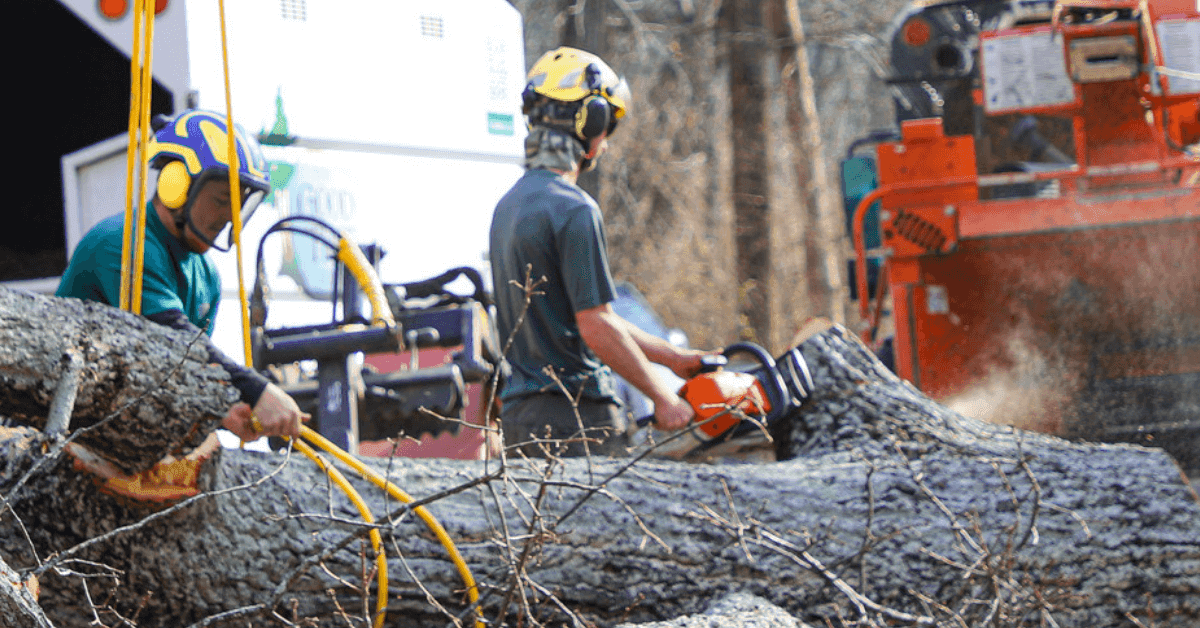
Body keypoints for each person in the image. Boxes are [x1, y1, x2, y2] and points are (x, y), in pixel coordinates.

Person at [489, 47, 711, 457]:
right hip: (575, 420)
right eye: (606, 125)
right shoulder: (574, 209)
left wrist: (672, 358)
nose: (605, 144)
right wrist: (664, 399)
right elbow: (596, 327)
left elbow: (586, 318)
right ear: (588, 119)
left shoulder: (508, 207)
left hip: (522, 418)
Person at [57, 109, 306, 443]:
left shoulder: (207, 277)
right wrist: (256, 390)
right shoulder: (122, 243)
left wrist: (222, 411)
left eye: (238, 205)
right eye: (221, 200)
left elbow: (182, 372)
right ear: (176, 184)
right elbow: (174, 338)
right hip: (65, 434)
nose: (229, 216)